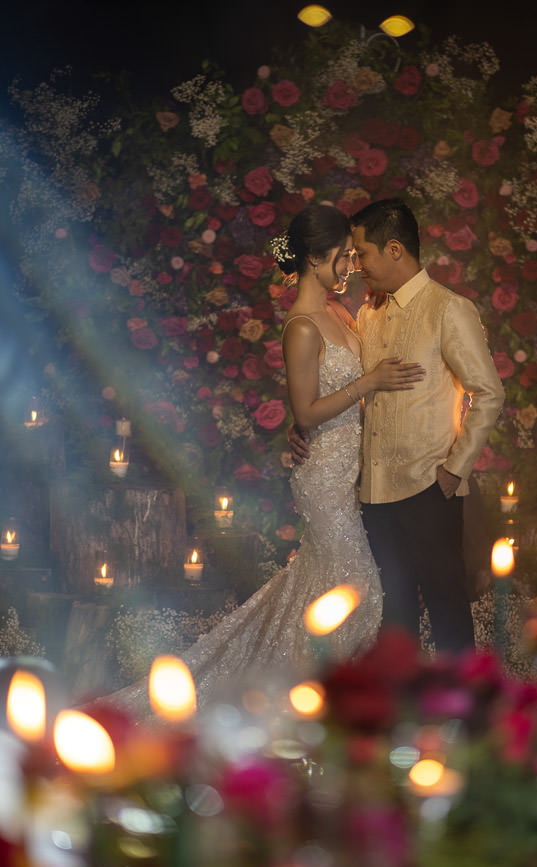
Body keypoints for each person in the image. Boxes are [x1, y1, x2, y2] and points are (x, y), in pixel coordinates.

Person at [90, 204, 424, 717]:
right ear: (315, 259)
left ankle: (310, 696)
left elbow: (320, 405)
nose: (351, 268)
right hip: (324, 480)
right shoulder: (302, 326)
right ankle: (298, 701)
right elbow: (307, 409)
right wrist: (367, 384)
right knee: (360, 596)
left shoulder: (341, 311)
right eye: (342, 259)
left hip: (353, 471)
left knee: (332, 591)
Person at [291, 198, 504, 654]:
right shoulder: (367, 313)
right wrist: (306, 422)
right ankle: (401, 716)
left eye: (361, 252)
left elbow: (488, 392)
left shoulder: (449, 309)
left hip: (430, 484)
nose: (356, 264)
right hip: (372, 492)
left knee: (447, 606)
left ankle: (465, 718)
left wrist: (454, 469)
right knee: (394, 614)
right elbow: (356, 391)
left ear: (393, 249)